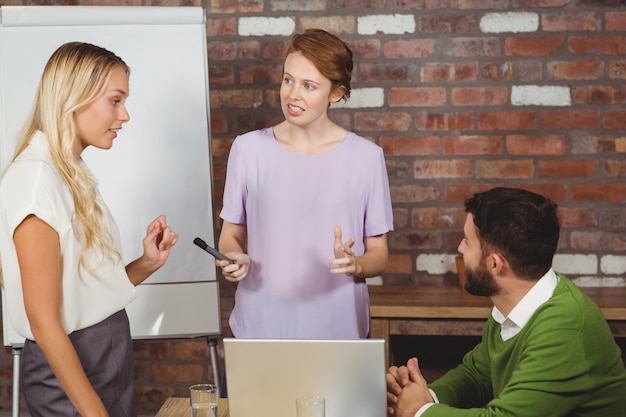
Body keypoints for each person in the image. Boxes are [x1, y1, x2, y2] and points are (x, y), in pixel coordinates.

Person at [0, 42, 178, 417]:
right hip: (71, 370)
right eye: (115, 100)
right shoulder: (35, 180)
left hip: (105, 355)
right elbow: (44, 321)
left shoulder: (69, 171)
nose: (125, 115)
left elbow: (84, 294)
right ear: (73, 98)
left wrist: (145, 264)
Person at [216, 28, 394, 340]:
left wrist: (357, 264)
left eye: (309, 85)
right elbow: (230, 235)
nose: (292, 94)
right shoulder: (248, 150)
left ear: (335, 93)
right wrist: (233, 256)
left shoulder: (366, 158)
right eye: (288, 80)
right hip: (261, 327)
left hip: (339, 330)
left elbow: (379, 253)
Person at [386, 187, 626, 417]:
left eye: (467, 241)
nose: (460, 247)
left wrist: (418, 411)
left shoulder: (565, 326)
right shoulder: (514, 302)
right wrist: (418, 395)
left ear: (494, 264)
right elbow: (477, 375)